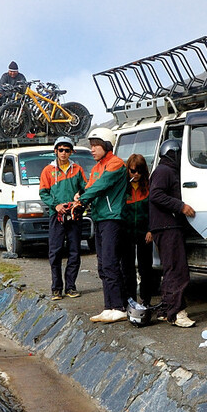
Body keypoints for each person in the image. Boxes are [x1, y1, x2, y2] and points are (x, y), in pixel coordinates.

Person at [75, 127, 128, 323]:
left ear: (106, 145)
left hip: (112, 218)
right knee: (102, 265)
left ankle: (119, 306)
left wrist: (82, 201)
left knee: (111, 262)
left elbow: (100, 186)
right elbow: (89, 187)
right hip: (99, 218)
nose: (92, 149)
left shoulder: (116, 164)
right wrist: (79, 197)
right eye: (91, 145)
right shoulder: (97, 168)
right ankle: (108, 307)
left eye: (96, 145)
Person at [148, 140, 196, 328]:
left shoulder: (164, 170)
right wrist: (181, 206)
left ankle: (166, 310)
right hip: (167, 226)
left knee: (170, 270)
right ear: (173, 154)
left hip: (166, 227)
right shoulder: (164, 171)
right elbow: (156, 195)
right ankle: (177, 313)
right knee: (178, 271)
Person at [39, 136, 86, 300]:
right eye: (61, 150)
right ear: (55, 151)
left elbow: (85, 190)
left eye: (67, 150)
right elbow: (43, 193)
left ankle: (71, 287)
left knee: (74, 252)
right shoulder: (47, 171)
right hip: (56, 216)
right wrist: (56, 205)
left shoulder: (78, 170)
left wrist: (79, 199)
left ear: (71, 152)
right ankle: (56, 288)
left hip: (74, 216)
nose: (64, 153)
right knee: (55, 252)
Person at [122, 154, 157, 306]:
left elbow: (153, 212)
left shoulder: (149, 187)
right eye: (133, 171)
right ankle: (130, 301)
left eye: (139, 171)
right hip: (127, 233)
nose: (136, 174)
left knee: (146, 269)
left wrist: (151, 230)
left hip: (145, 234)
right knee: (127, 269)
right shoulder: (123, 188)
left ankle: (146, 300)